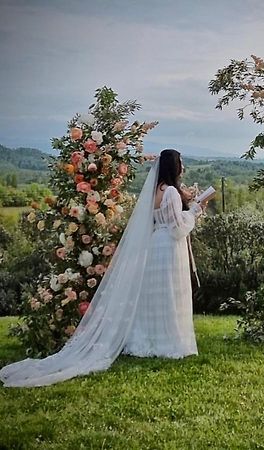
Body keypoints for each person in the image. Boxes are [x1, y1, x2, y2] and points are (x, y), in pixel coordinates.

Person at [0, 149, 209, 387]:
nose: (182, 167)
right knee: (171, 293)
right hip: (169, 248)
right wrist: (194, 210)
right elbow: (176, 228)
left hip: (156, 246)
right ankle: (171, 342)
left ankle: (151, 340)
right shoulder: (171, 191)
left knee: (158, 296)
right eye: (180, 163)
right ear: (174, 166)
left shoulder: (155, 191)